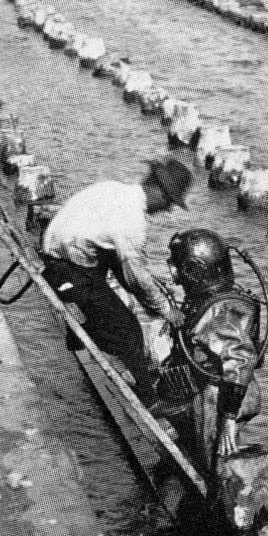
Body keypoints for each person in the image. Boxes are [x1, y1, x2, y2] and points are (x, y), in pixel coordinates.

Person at [41, 158, 193, 405]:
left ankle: (89, 333)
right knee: (130, 331)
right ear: (158, 191)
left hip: (59, 257)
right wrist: (166, 310)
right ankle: (149, 401)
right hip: (68, 270)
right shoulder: (133, 220)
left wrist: (152, 291)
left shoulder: (113, 189)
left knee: (116, 313)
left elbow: (124, 268)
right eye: (168, 202)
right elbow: (136, 278)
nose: (166, 210)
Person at [157, 228, 264, 476]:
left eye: (178, 266)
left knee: (215, 464)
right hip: (227, 391)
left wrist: (227, 417)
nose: (173, 272)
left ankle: (216, 493)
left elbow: (241, 358)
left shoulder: (219, 310)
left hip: (219, 397)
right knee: (212, 452)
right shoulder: (221, 299)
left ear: (194, 270)